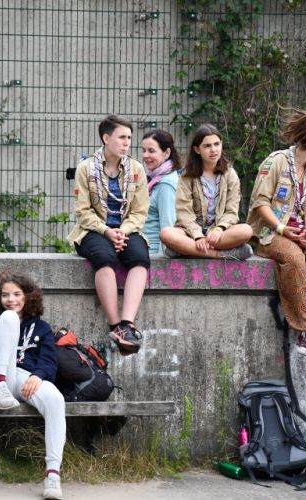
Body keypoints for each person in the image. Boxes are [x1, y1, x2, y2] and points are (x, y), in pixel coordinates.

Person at [67, 115, 150, 356]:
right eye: (122, 137)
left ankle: (127, 324)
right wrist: (106, 231)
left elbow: (140, 211)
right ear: (106, 138)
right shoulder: (86, 168)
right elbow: (83, 212)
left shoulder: (136, 169)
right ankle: (115, 326)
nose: (127, 143)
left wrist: (123, 231)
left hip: (126, 229)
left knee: (140, 258)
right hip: (93, 230)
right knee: (104, 259)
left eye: (129, 138)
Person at [0, 271, 65, 500]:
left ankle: (53, 474)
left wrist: (38, 376)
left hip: (28, 380)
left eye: (17, 294)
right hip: (1, 377)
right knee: (9, 317)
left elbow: (49, 361)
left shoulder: (42, 328)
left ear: (28, 296)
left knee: (56, 400)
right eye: (5, 295)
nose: (11, 300)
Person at [247, 109, 306, 356]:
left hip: (303, 232)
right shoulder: (276, 161)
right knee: (294, 259)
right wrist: (282, 228)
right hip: (272, 234)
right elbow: (260, 202)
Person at [160, 123, 253, 260]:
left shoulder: (230, 174)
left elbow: (232, 211)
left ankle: (185, 250)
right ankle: (221, 254)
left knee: (246, 230)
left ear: (221, 144)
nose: (213, 150)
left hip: (219, 233)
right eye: (207, 146)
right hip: (190, 233)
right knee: (166, 233)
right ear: (197, 149)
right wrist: (197, 236)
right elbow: (184, 212)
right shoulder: (187, 175)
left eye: (216, 144)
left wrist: (218, 229)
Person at [142, 129, 180, 254]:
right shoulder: (154, 178)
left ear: (167, 153)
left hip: (152, 254)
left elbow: (168, 228)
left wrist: (161, 262)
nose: (145, 155)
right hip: (141, 249)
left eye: (151, 151)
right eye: (144, 150)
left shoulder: (166, 185)